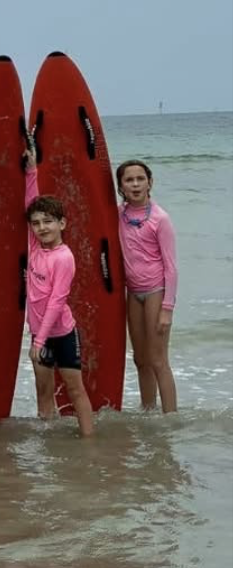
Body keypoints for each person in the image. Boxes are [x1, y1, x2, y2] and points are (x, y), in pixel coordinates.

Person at [22, 136, 96, 437]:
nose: (42, 228)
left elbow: (56, 300)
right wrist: (32, 171)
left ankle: (89, 442)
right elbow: (30, 203)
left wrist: (39, 341)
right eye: (37, 223)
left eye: (49, 222)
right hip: (39, 334)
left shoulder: (63, 258)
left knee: (75, 391)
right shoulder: (34, 247)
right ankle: (49, 441)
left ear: (63, 224)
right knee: (43, 391)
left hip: (61, 334)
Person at [116, 159, 178, 412]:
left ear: (150, 182)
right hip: (133, 292)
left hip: (155, 291)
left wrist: (167, 308)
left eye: (140, 179)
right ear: (121, 186)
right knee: (140, 360)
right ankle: (148, 412)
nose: (135, 184)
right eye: (129, 180)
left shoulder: (160, 219)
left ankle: (170, 418)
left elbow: (171, 267)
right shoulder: (118, 214)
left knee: (158, 360)